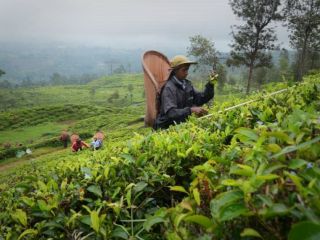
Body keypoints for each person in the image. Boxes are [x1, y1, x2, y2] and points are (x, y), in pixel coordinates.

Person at [154, 55, 217, 130]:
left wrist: (211, 84)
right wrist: (191, 110)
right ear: (175, 71)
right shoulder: (169, 88)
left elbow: (201, 98)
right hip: (167, 128)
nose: (187, 73)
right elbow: (171, 113)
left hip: (181, 126)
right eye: (184, 70)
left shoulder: (187, 84)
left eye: (187, 70)